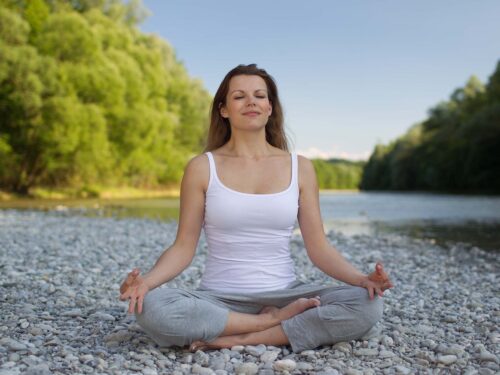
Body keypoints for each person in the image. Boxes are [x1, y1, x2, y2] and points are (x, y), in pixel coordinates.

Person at [119, 64, 393, 353]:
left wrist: (361, 279)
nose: (251, 102)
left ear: (270, 108)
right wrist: (146, 282)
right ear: (224, 110)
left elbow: (319, 247)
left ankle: (241, 336)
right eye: (239, 97)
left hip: (286, 294)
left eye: (259, 95)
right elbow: (183, 247)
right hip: (219, 298)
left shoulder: (301, 167)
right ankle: (271, 324)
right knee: (151, 307)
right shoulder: (202, 168)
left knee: (366, 304)